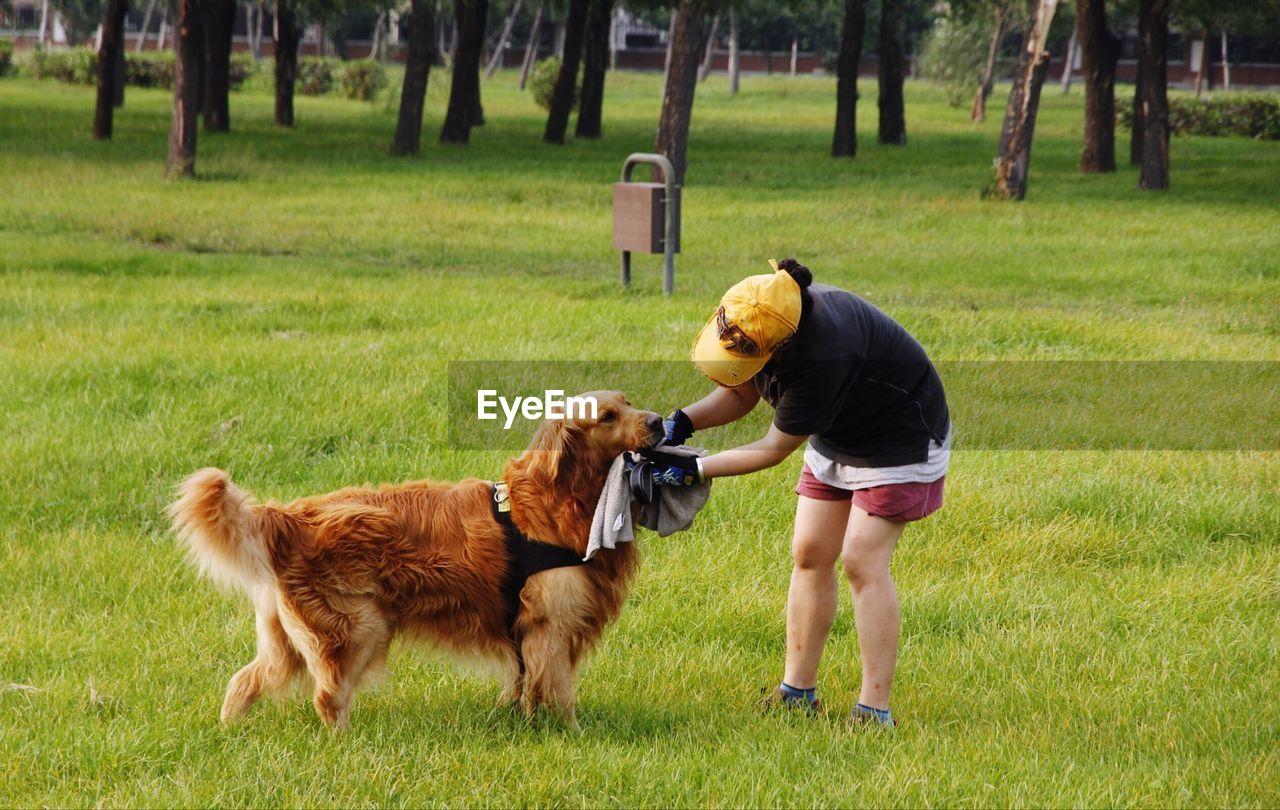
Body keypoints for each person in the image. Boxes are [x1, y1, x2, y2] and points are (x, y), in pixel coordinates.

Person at [646, 259, 950, 728]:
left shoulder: (828, 353)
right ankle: (797, 693)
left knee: (862, 561)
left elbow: (771, 449)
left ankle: (874, 709)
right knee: (809, 552)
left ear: (783, 346)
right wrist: (683, 421)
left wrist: (693, 470)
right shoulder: (762, 315)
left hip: (899, 439)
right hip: (837, 431)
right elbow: (742, 392)